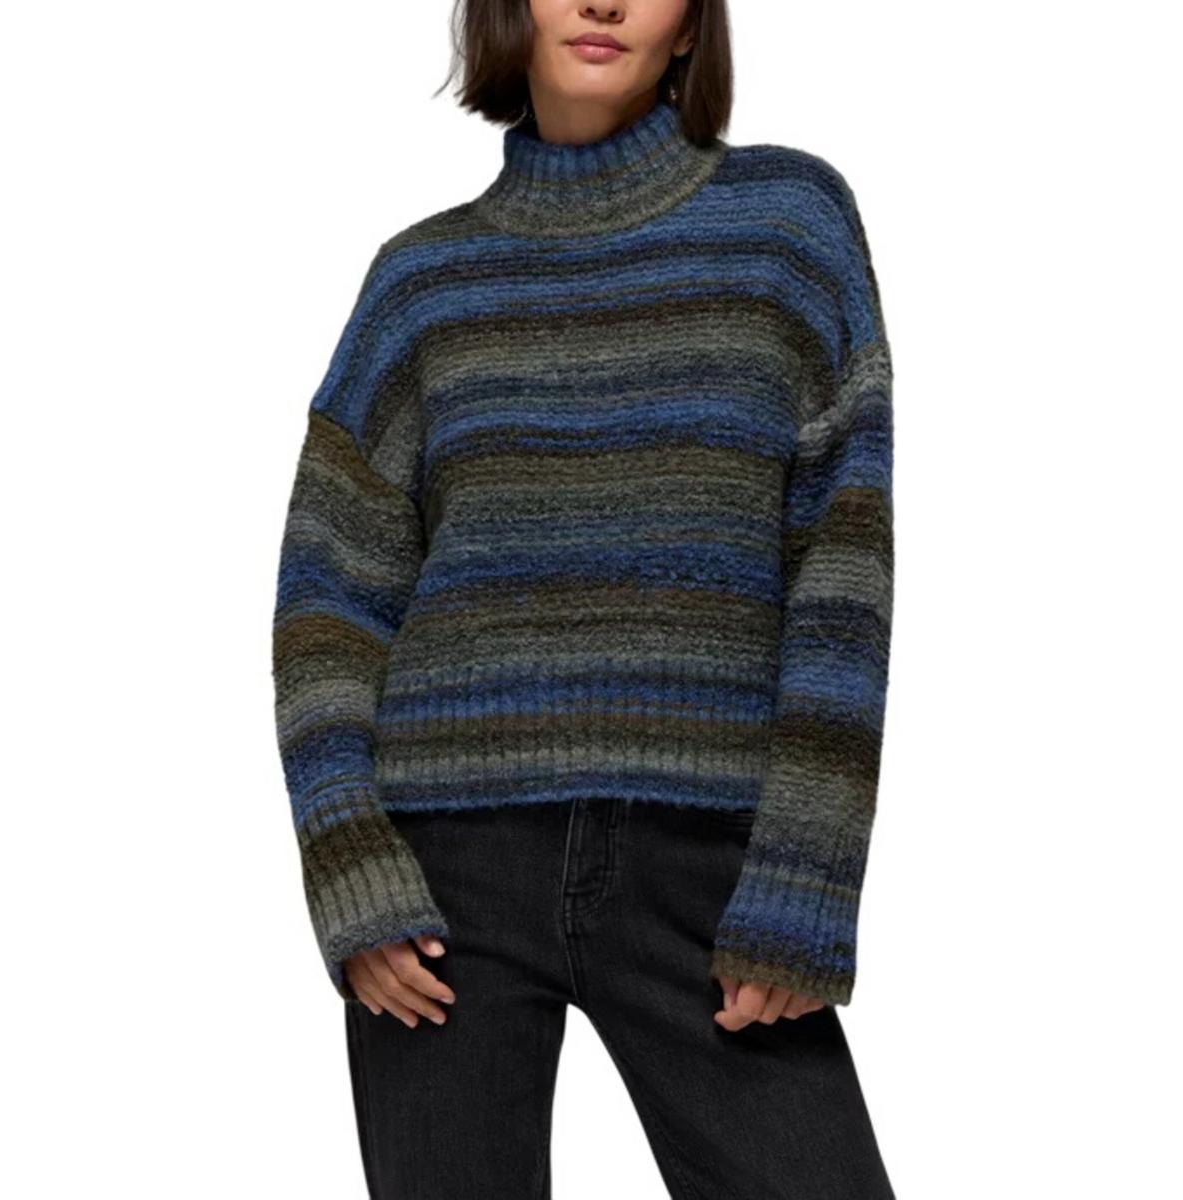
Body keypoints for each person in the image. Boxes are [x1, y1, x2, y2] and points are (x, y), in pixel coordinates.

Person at [271, 1, 896, 1195]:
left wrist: (807, 872)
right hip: (443, 883)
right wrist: (349, 860)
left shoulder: (787, 225)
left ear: (689, 28)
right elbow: (328, 596)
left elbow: (844, 562)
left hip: (709, 867)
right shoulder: (420, 283)